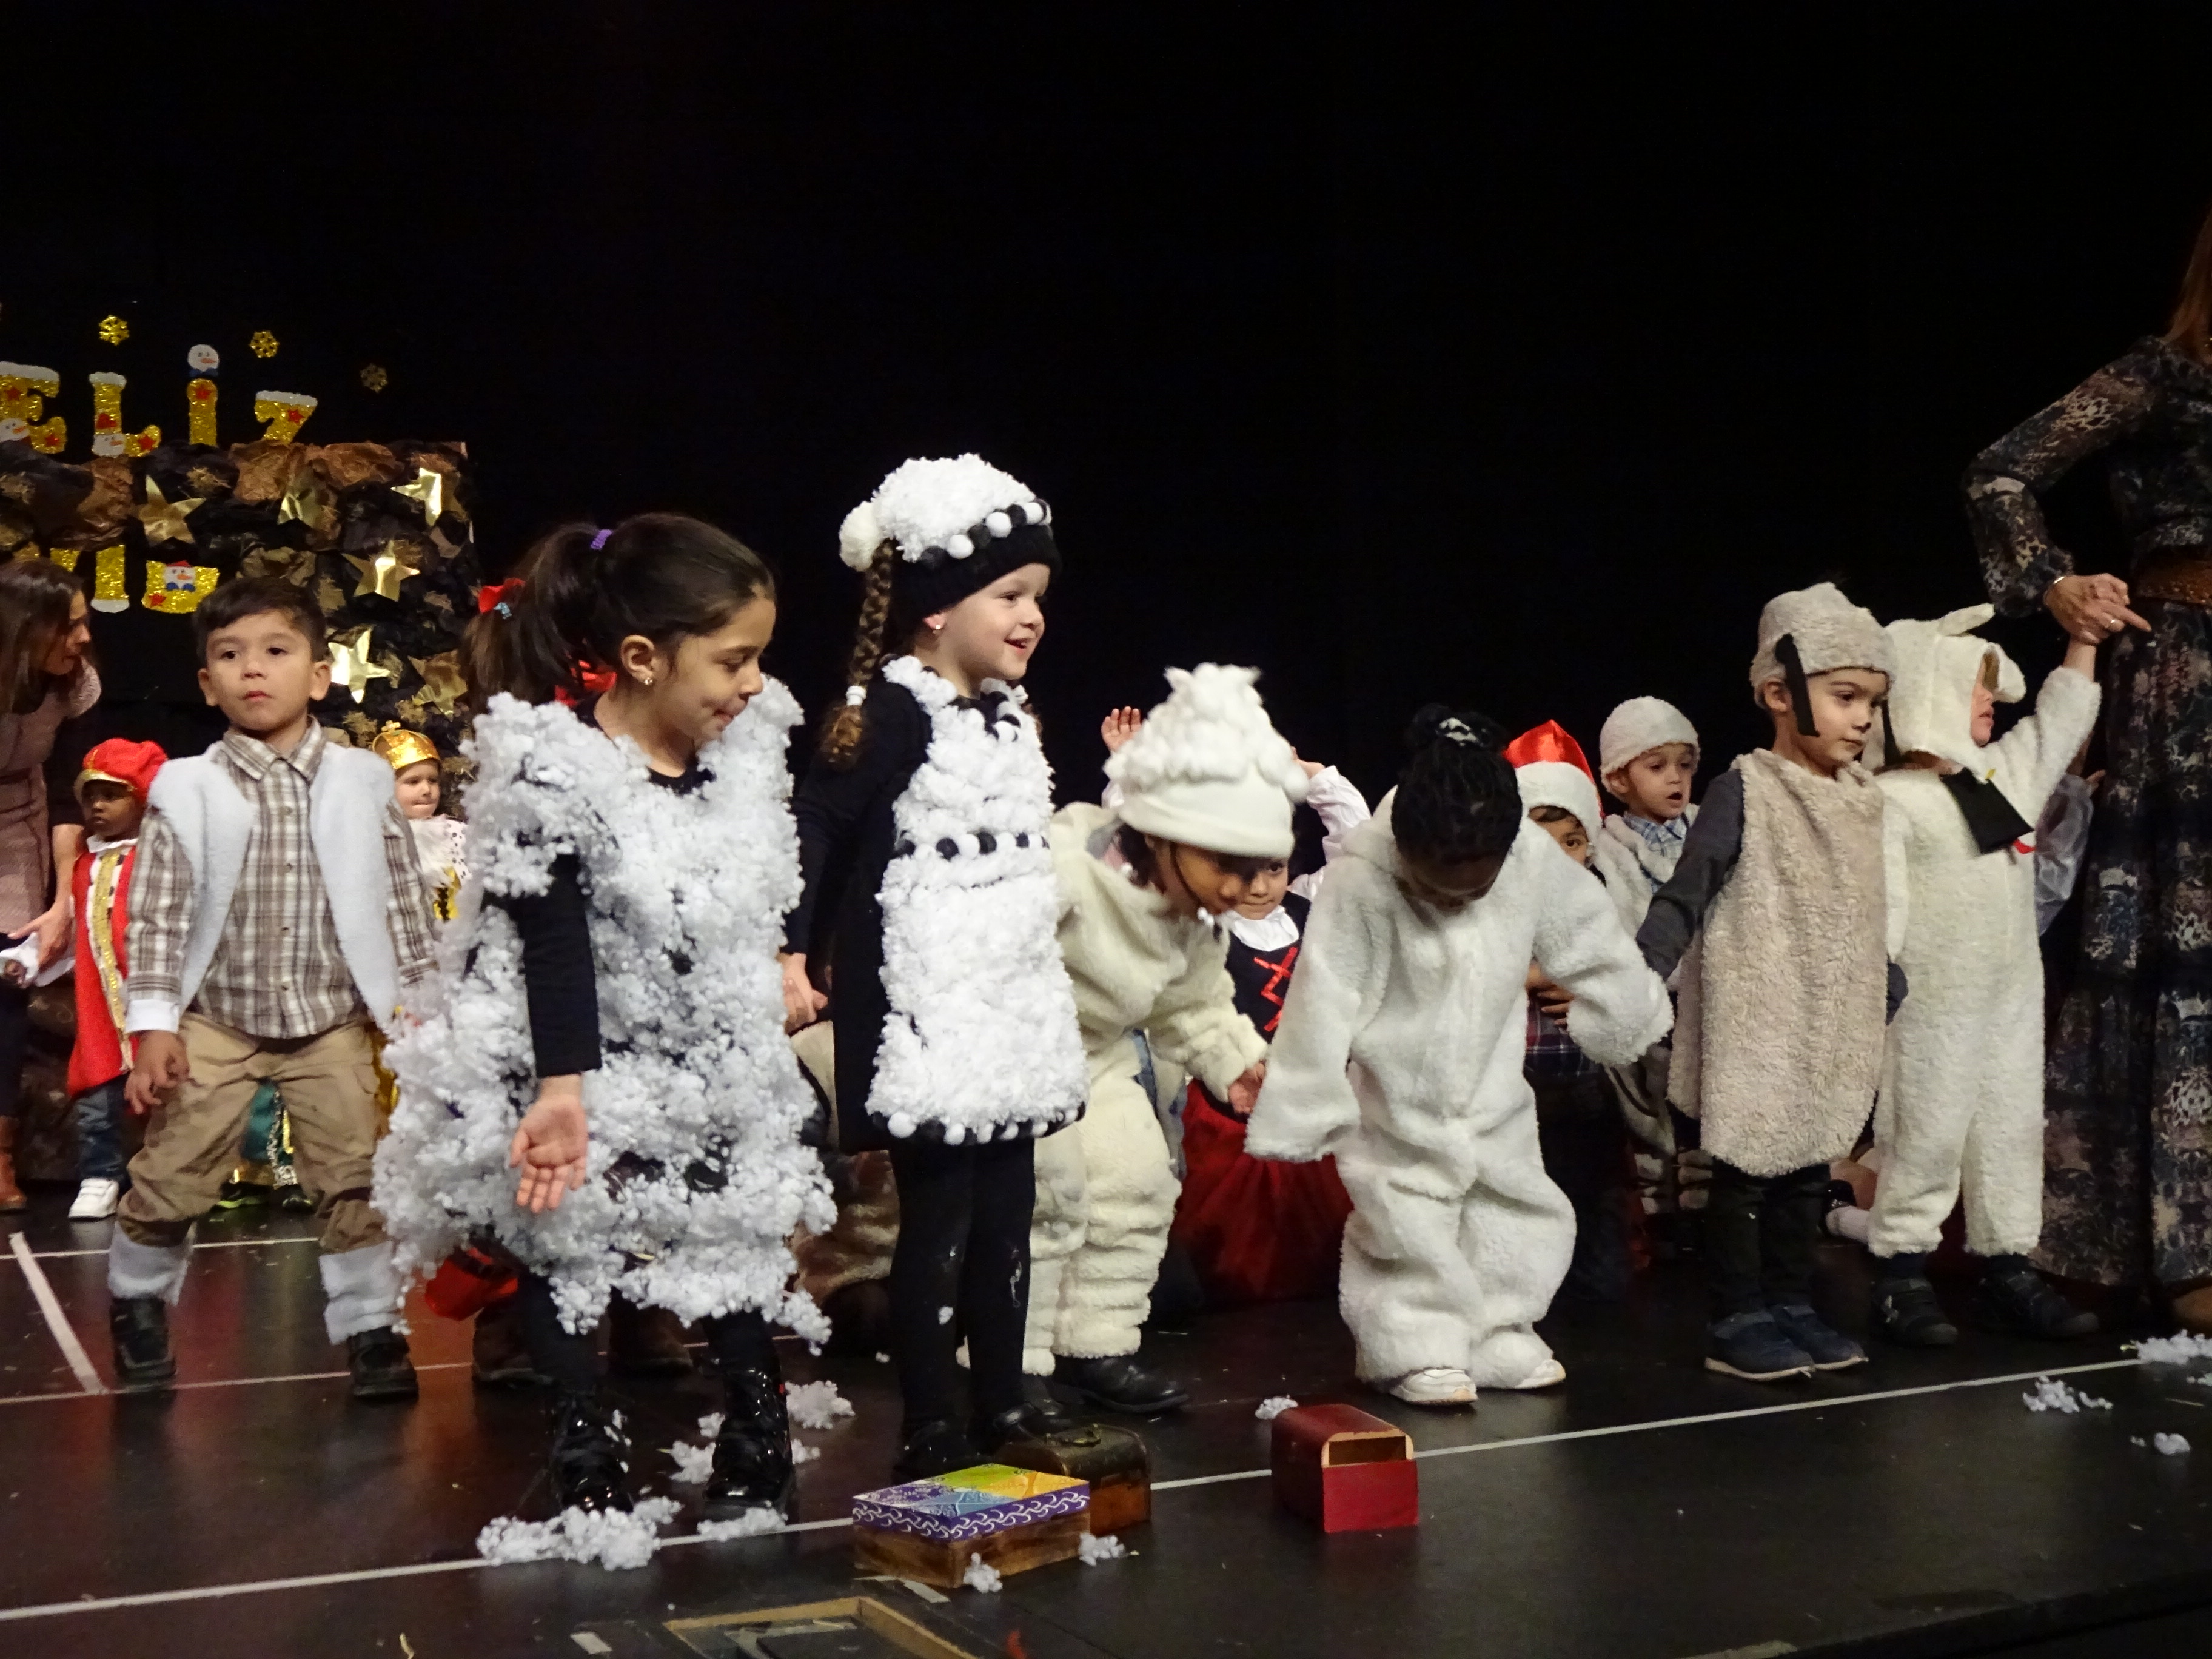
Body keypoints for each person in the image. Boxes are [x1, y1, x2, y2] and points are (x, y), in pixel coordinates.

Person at [377, 515, 830, 1520]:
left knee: (734, 1227)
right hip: (573, 1046)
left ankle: (756, 1422)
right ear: (642, 657)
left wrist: (770, 976)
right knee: (565, 1237)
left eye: (759, 658)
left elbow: (753, 890)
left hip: (701, 1047)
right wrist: (562, 1091)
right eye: (732, 661)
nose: (753, 684)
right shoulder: (555, 770)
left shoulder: (739, 759)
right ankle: (583, 1435)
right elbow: (552, 945)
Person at [782, 455, 1088, 1478]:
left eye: (1037, 598)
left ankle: (1001, 1404)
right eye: (1009, 595)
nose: (1030, 616)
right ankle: (931, 1423)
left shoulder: (1007, 719)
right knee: (940, 1222)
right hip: (925, 1012)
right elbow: (816, 828)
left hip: (1006, 1007)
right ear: (934, 609)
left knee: (1009, 1218)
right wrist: (792, 951)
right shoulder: (892, 714)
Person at [1247, 709, 1669, 1405]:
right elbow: (1325, 991)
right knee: (1404, 1216)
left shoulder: (1528, 857)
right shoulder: (1363, 877)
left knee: (1515, 1202)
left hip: (1496, 1083)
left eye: (1479, 883)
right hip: (1396, 1088)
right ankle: (1411, 1344)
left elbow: (1587, 932)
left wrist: (1623, 1008)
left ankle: (1500, 1330)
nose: (1461, 896)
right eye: (1444, 882)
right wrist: (1306, 1095)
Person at [1964, 198, 2212, 1329]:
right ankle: (2179, 1245)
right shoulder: (2164, 375)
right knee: (2182, 944)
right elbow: (2000, 472)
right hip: (2189, 681)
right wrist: (2049, 582)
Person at [107, 578, 437, 1401]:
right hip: (217, 1019)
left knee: (355, 1175)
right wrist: (154, 1025)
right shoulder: (186, 787)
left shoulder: (363, 780)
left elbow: (403, 899)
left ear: (320, 675)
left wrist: (423, 1007)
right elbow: (156, 915)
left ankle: (372, 1327)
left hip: (328, 1019)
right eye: (230, 655)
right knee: (174, 1172)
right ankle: (138, 1301)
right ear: (206, 682)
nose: (253, 669)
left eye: (276, 651)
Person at [1637, 583, 1900, 1382]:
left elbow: (1858, 905)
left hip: (1829, 1014)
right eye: (1845, 696)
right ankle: (1737, 1315)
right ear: (1781, 694)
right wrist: (1638, 976)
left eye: (1872, 702)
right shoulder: (1746, 788)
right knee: (1748, 1172)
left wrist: (1881, 979)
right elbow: (1690, 889)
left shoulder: (1861, 799)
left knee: (1809, 1169)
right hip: (1762, 1013)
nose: (1862, 718)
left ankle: (1791, 1303)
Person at [1029, 664, 1290, 1413]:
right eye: (1225, 866)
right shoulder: (1068, 868)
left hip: (1100, 1055)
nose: (1239, 889)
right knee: (1043, 1202)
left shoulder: (1193, 914)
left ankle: (1095, 1347)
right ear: (1164, 834)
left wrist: (1233, 1060)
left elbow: (1193, 1000)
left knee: (1137, 1180)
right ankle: (1009, 1365)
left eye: (1254, 869)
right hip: (1020, 1058)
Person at [1866, 605, 2103, 1346]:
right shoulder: (1889, 799)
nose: (1990, 699)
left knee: (2010, 1129)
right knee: (1926, 1130)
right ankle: (1901, 1271)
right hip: (1932, 1007)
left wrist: (2084, 640)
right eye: (1975, 683)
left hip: (2010, 1001)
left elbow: (2058, 722)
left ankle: (2008, 1268)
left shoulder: (1998, 780)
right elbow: (1883, 907)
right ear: (1929, 689)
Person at [1094, 708, 1368, 1311]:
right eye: (1240, 870)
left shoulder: (1310, 908)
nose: (1261, 886)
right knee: (1231, 1257)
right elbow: (1126, 867)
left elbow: (1361, 851)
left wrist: (1312, 778)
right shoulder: (1199, 920)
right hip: (1226, 1113)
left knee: (1318, 1246)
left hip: (1303, 1104)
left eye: (1273, 867)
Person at [1506, 720, 1638, 1302]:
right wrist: (1540, 976)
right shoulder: (1495, 905)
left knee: (1599, 1247)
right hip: (1517, 1090)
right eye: (1542, 841)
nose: (1560, 857)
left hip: (1586, 1087)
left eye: (1573, 841)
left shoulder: (1599, 902)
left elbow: (1627, 978)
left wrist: (1589, 990)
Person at [0, 558, 98, 1210]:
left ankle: (0, 1157)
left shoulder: (73, 684)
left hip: (19, 823)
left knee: (5, 983)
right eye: (69, 626)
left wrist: (65, 898)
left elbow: (69, 794)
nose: (84, 638)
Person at [61, 739, 166, 1220]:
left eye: (111, 795)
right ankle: (100, 1175)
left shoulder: (159, 858)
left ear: (140, 799)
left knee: (166, 1092)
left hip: (150, 995)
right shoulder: (85, 862)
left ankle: (163, 1182)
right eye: (90, 797)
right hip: (100, 1004)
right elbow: (70, 928)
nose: (98, 806)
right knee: (98, 1094)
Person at [1589, 697, 1701, 937]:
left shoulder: (1711, 828)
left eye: (1684, 764)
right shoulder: (1605, 853)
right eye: (1657, 767)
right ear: (1619, 779)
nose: (1676, 778)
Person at [370, 723, 466, 923]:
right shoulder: (376, 844)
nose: (426, 790)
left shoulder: (457, 833)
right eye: (413, 782)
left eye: (432, 780)